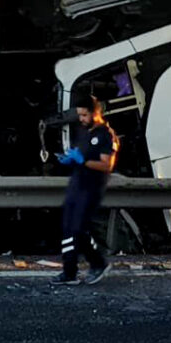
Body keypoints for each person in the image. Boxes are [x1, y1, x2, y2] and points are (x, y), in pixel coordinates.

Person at [50, 94, 116, 286]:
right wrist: (69, 159)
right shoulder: (84, 131)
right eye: (80, 115)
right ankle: (69, 271)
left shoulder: (105, 134)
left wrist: (84, 162)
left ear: (96, 112)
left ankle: (96, 263)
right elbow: (80, 154)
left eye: (84, 115)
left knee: (78, 229)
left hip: (91, 188)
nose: (81, 119)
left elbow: (106, 165)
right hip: (76, 185)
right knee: (68, 228)